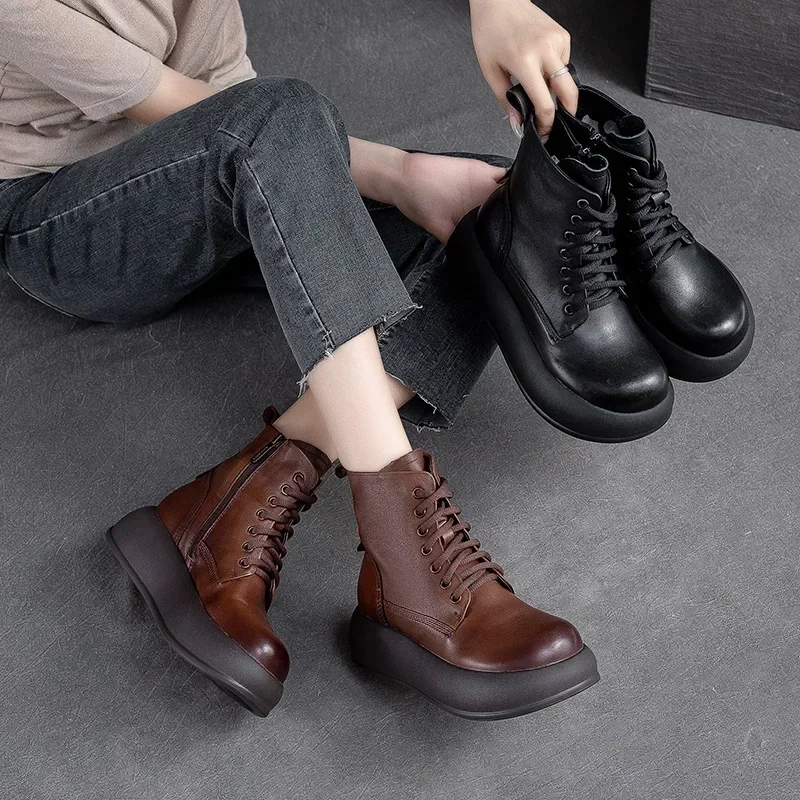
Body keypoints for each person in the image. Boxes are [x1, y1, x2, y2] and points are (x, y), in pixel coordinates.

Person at [0, 0, 600, 719]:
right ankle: (406, 559)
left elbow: (234, 108)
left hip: (230, 157)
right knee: (285, 116)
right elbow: (171, 103)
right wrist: (397, 172)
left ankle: (236, 501)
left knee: (494, 209)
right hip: (68, 213)